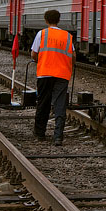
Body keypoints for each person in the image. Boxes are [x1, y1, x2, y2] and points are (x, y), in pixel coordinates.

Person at [31, 9, 75, 146]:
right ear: (59, 20)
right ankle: (58, 137)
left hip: (45, 73)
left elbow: (33, 54)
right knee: (60, 105)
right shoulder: (67, 36)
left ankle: (40, 133)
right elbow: (73, 56)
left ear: (46, 20)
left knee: (43, 103)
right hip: (62, 75)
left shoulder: (42, 34)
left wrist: (42, 60)